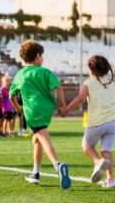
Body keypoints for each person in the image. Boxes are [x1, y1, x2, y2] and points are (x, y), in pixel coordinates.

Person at [10, 40, 71, 189]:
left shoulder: (20, 74)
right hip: (46, 110)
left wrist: (18, 107)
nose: (42, 59)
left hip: (31, 111)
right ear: (37, 56)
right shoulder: (45, 72)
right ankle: (35, 174)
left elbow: (11, 95)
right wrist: (63, 105)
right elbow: (58, 86)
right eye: (42, 56)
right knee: (36, 139)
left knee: (42, 136)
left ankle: (57, 165)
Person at [60, 55, 115, 187]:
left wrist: (67, 110)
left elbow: (80, 99)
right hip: (114, 122)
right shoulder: (110, 81)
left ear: (91, 70)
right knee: (107, 150)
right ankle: (111, 180)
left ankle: (98, 162)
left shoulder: (88, 83)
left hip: (97, 121)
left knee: (87, 146)